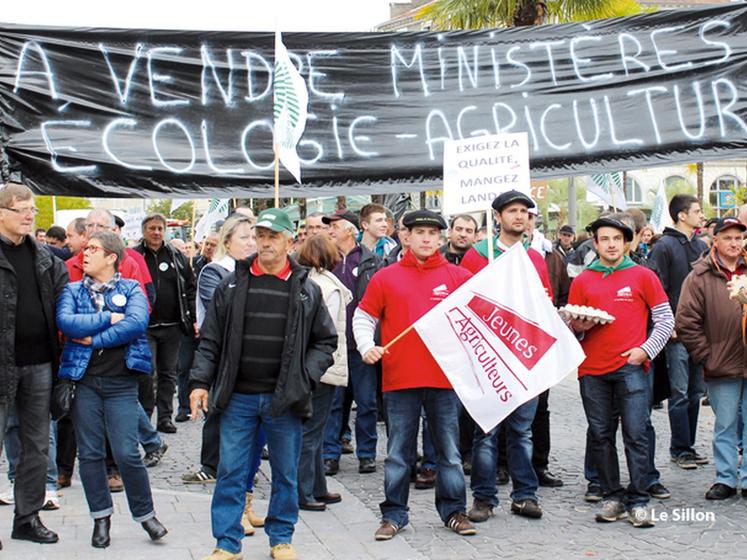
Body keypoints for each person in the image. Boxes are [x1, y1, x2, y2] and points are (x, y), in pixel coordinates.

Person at [190, 208, 337, 560]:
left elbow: (325, 341)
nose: (266, 242)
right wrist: (199, 382)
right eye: (261, 235)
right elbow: (210, 340)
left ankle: (281, 538)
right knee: (230, 472)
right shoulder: (232, 284)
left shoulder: (307, 291)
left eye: (274, 236)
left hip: (284, 399)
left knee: (286, 474)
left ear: (290, 240)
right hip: (238, 397)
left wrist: (305, 377)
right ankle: (226, 543)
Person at [353, 209, 475, 541]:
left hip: (445, 380)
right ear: (406, 236)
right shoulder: (385, 277)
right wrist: (366, 346)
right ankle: (393, 514)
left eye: (432, 233)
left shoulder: (459, 278)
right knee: (397, 453)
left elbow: (477, 324)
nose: (425, 238)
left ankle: (454, 511)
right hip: (399, 378)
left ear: (441, 238)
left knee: (449, 453)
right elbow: (364, 317)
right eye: (419, 232)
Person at [56, 231, 167, 548]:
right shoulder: (72, 289)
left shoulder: (131, 288)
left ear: (111, 257)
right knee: (90, 454)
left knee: (126, 453)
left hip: (121, 383)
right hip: (84, 382)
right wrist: (109, 317)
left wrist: (94, 338)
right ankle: (100, 518)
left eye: (92, 249)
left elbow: (135, 324)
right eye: (85, 247)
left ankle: (146, 515)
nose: (84, 254)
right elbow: (67, 322)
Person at [569, 217, 674, 528]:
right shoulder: (583, 281)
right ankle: (612, 496)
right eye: (604, 239)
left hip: (631, 368)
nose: (611, 244)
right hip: (592, 371)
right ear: (596, 244)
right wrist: (578, 328)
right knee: (601, 435)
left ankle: (639, 500)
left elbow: (665, 320)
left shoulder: (643, 276)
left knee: (636, 434)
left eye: (617, 238)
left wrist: (645, 351)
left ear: (627, 243)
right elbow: (571, 327)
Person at [461, 191, 554, 522]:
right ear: (497, 217)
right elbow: (465, 303)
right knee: (486, 432)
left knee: (522, 431)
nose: (519, 216)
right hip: (489, 355)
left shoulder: (536, 258)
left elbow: (545, 305)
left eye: (523, 211)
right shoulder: (478, 255)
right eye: (512, 210)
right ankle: (484, 498)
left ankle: (524, 494)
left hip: (525, 353)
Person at [183, 215, 266, 535]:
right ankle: (232, 512)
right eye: (245, 237)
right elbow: (226, 318)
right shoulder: (215, 273)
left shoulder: (263, 271)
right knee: (234, 444)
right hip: (227, 366)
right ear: (227, 240)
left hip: (259, 369)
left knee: (257, 442)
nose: (252, 242)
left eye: (255, 237)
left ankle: (246, 502)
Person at [0, 182, 68, 548]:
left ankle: (26, 518)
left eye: (32, 209)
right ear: (0, 213)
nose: (29, 214)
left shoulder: (46, 259)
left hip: (40, 364)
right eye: (20, 208)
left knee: (37, 446)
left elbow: (65, 307)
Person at [676, 217, 747, 500]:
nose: (734, 243)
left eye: (738, 238)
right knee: (725, 423)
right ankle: (726, 478)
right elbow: (687, 321)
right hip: (721, 363)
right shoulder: (700, 275)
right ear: (714, 240)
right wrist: (706, 355)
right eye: (727, 238)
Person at [649, 194, 708, 470]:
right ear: (682, 215)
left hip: (699, 332)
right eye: (697, 211)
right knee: (679, 391)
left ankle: (689, 445)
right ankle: (679, 448)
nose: (701, 215)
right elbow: (656, 287)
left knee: (696, 392)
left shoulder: (700, 245)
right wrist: (666, 324)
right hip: (675, 334)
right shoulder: (664, 246)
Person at [322, 209, 382, 476]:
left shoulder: (373, 261)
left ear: (350, 230)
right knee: (334, 402)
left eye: (334, 226)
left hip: (362, 345)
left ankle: (367, 454)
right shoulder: (325, 261)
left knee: (367, 402)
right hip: (333, 345)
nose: (330, 231)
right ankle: (330, 453)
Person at [297, 235, 352, 511]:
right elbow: (325, 330)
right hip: (322, 367)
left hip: (312, 365)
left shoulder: (305, 281)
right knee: (311, 431)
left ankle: (317, 485)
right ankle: (304, 490)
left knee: (315, 431)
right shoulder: (326, 287)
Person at [134, 213, 196, 433]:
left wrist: (192, 317)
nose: (157, 232)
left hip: (172, 325)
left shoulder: (177, 256)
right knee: (147, 373)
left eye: (160, 228)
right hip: (145, 327)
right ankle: (145, 416)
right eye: (152, 228)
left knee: (168, 373)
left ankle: (165, 418)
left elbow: (190, 287)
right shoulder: (134, 256)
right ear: (144, 231)